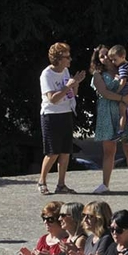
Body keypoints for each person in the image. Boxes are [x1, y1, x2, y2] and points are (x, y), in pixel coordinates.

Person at [88, 45, 128, 195]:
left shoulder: (123, 68)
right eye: (101, 56)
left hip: (125, 108)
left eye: (107, 55)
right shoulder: (98, 75)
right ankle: (105, 184)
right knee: (109, 151)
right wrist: (122, 97)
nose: (105, 59)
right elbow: (104, 93)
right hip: (107, 111)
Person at [37, 42, 86, 195]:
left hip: (66, 112)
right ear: (58, 58)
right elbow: (52, 99)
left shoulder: (65, 70)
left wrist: (75, 84)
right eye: (67, 57)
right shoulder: (47, 74)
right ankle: (42, 182)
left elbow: (72, 93)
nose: (69, 60)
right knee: (52, 152)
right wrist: (68, 86)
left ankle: (61, 184)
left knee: (65, 151)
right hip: (51, 115)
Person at [107, 45, 128, 134]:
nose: (113, 62)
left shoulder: (122, 67)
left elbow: (123, 81)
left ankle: (121, 129)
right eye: (112, 60)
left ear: (123, 57)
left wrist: (118, 91)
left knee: (122, 111)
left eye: (115, 60)